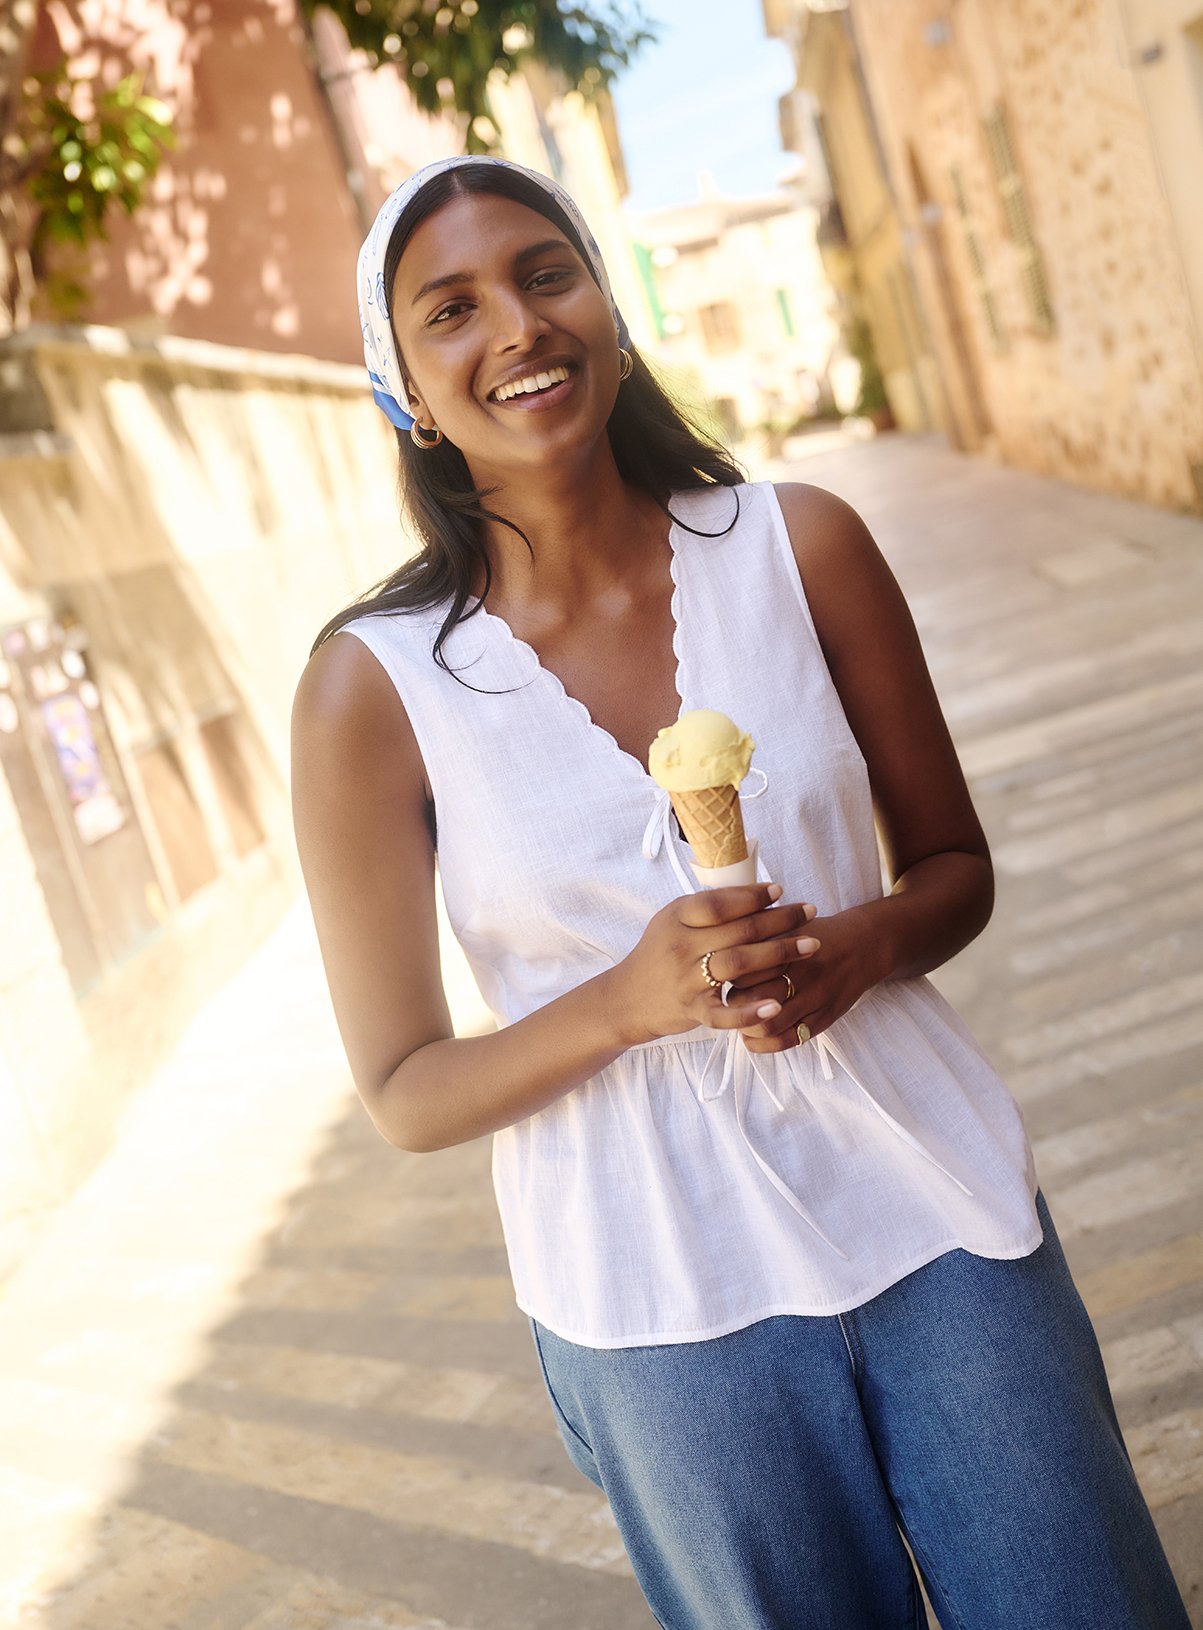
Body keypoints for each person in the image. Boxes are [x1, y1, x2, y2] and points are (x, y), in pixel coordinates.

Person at [291, 156, 1191, 1630]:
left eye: (545, 271)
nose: (516, 325)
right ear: (399, 384)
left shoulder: (801, 543)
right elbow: (405, 1088)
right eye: (450, 307)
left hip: (922, 1190)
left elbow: (953, 871)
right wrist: (628, 1002)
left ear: (612, 308)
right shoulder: (371, 691)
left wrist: (862, 945)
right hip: (651, 1291)